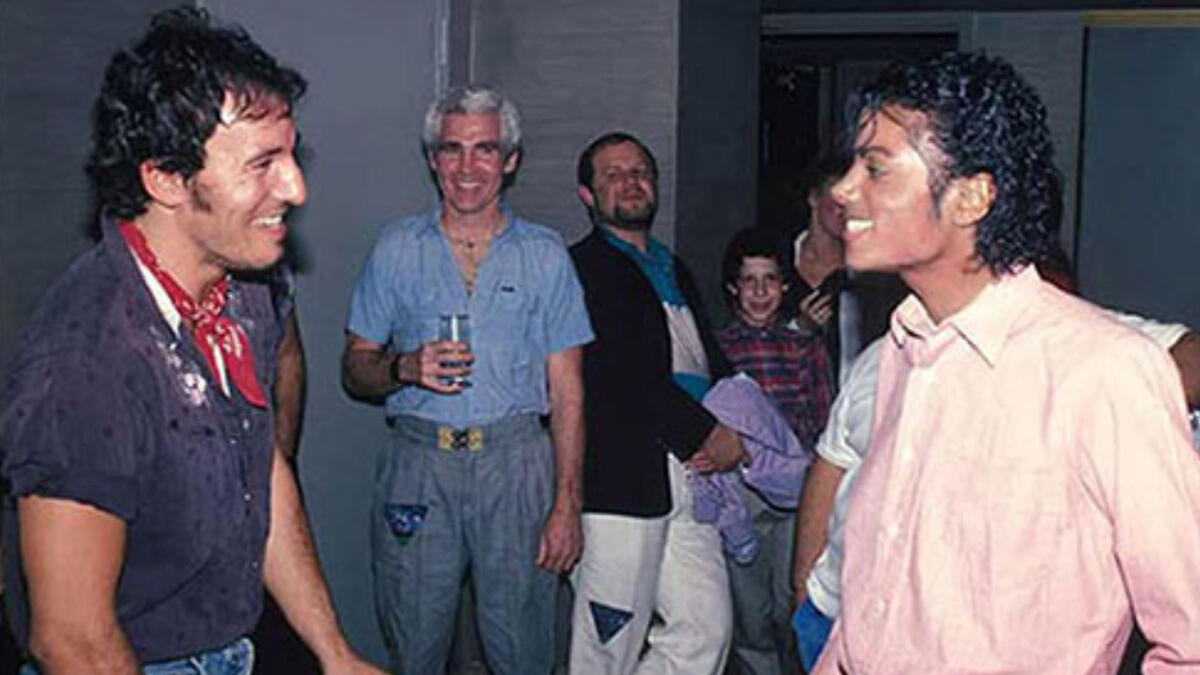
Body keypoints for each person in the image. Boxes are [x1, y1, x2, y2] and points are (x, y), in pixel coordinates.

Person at [0, 7, 381, 674]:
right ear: (166, 178)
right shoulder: (85, 360)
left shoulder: (246, 290)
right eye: (263, 162)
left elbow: (261, 468)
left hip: (235, 649)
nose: (296, 187)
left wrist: (335, 653)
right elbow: (73, 641)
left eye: (291, 154)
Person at [810, 51, 1200, 673]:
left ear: (970, 198)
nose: (843, 190)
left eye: (877, 170)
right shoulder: (902, 354)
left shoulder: (1104, 371)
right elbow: (875, 603)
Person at [341, 85, 592, 675]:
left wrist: (567, 505)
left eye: (484, 150)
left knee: (523, 651)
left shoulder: (546, 255)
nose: (467, 168)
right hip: (419, 466)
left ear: (510, 160)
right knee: (416, 649)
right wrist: (403, 367)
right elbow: (355, 367)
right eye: (451, 150)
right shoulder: (396, 248)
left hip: (516, 464)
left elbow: (569, 392)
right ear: (433, 160)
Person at [567, 131, 738, 675]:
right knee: (608, 643)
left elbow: (706, 358)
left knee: (705, 631)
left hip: (692, 474)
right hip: (618, 478)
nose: (631, 182)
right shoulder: (580, 268)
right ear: (587, 195)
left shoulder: (672, 265)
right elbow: (617, 373)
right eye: (613, 175)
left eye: (640, 171)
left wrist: (742, 420)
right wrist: (706, 432)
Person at [714, 227, 833, 675]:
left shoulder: (803, 344)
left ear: (785, 287)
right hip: (741, 490)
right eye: (749, 281)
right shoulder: (720, 347)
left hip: (796, 490)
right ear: (733, 288)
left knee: (793, 599)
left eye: (770, 280)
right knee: (748, 608)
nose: (760, 292)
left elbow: (823, 417)